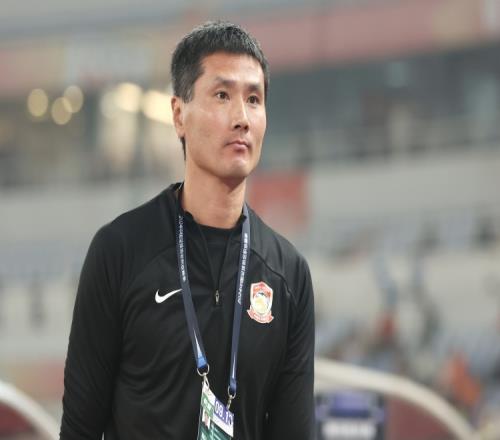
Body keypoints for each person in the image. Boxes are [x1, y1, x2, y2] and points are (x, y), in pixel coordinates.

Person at [60, 20, 315, 439]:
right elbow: (78, 429)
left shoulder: (288, 274)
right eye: (222, 95)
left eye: (254, 99)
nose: (242, 118)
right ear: (178, 115)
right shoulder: (119, 251)